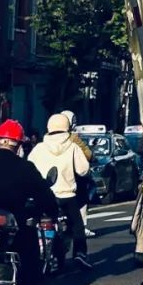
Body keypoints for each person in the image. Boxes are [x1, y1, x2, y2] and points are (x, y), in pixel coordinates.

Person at [0, 119, 62, 285]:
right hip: (15, 234)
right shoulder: (25, 168)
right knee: (35, 274)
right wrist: (50, 212)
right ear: (18, 145)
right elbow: (47, 199)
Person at [28, 112, 91, 270]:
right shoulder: (72, 146)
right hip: (67, 195)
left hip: (43, 195)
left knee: (34, 224)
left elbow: (29, 168)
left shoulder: (39, 148)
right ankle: (80, 253)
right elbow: (83, 170)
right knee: (77, 226)